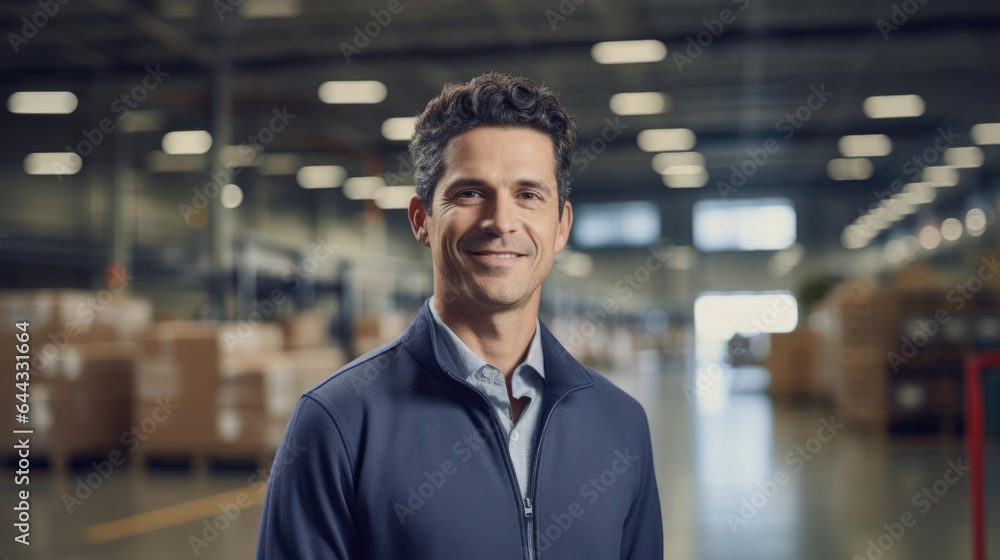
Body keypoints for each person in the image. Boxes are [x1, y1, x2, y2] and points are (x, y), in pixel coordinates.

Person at [255, 71, 663, 559]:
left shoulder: (621, 425)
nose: (501, 222)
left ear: (561, 227)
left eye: (529, 195)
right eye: (470, 193)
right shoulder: (339, 424)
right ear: (421, 220)